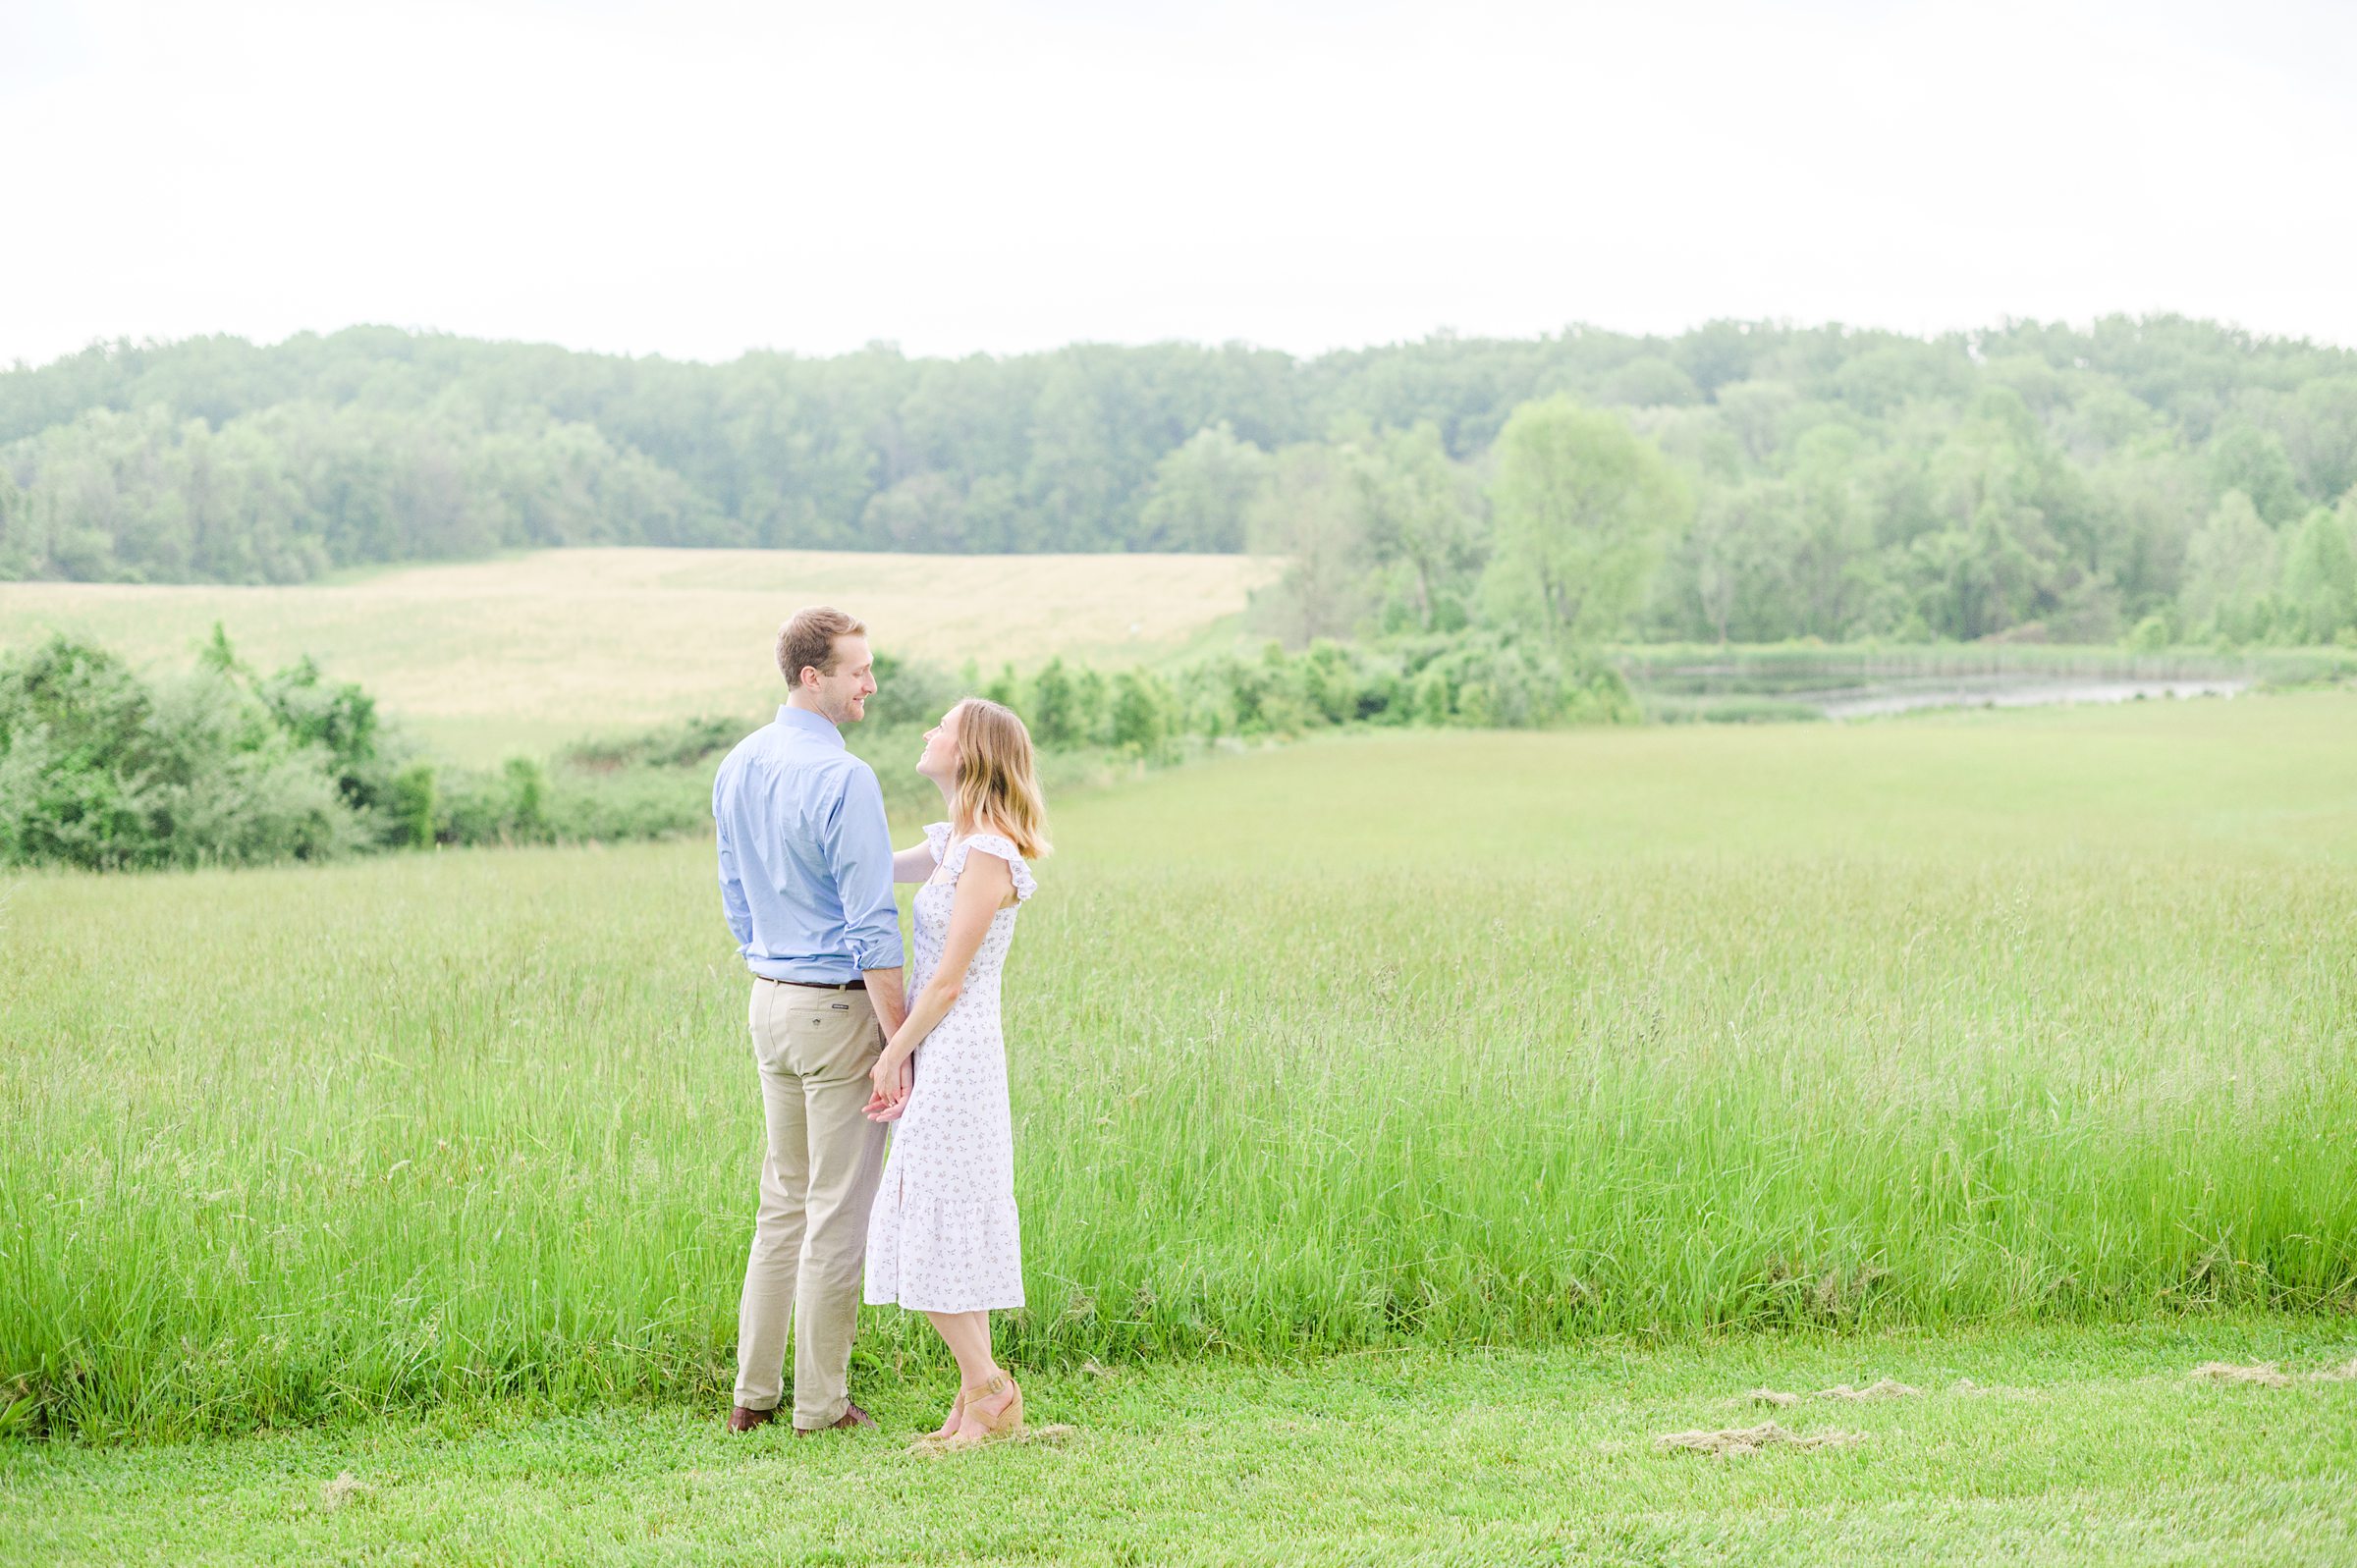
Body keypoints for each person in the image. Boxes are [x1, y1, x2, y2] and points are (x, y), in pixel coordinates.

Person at [713, 606, 907, 1436]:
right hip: (836, 1006)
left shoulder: (738, 763)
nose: (870, 682)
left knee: (782, 1202)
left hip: (769, 1000)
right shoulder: (845, 777)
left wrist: (772, 962)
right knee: (835, 1209)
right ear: (811, 676)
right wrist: (899, 1041)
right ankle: (822, 1405)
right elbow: (874, 923)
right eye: (858, 668)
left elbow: (734, 893)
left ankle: (754, 1395)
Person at [862, 696, 1049, 1447]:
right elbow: (871, 863)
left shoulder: (991, 853)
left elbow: (947, 979)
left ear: (969, 751)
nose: (927, 732)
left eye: (940, 726)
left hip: (958, 1050)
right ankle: (980, 1399)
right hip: (937, 1044)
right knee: (932, 1216)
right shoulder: (951, 843)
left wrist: (891, 1050)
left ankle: (990, 1392)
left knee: (932, 1219)